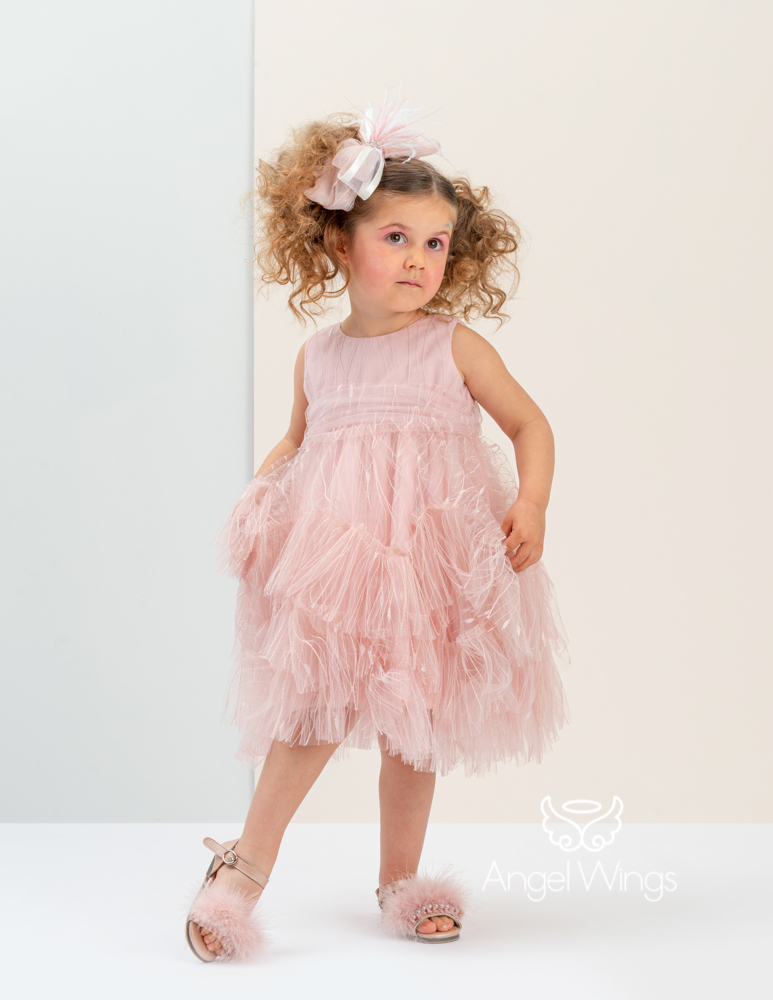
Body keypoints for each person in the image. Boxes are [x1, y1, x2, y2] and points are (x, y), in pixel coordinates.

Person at [185, 94, 571, 963]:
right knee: (311, 711)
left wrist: (533, 501)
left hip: (431, 560)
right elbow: (298, 442)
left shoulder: (452, 345)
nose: (420, 260)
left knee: (415, 719)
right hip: (340, 563)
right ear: (338, 242)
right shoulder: (319, 357)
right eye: (397, 237)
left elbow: (529, 425)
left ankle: (401, 879)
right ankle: (244, 868)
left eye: (436, 243)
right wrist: (260, 502)